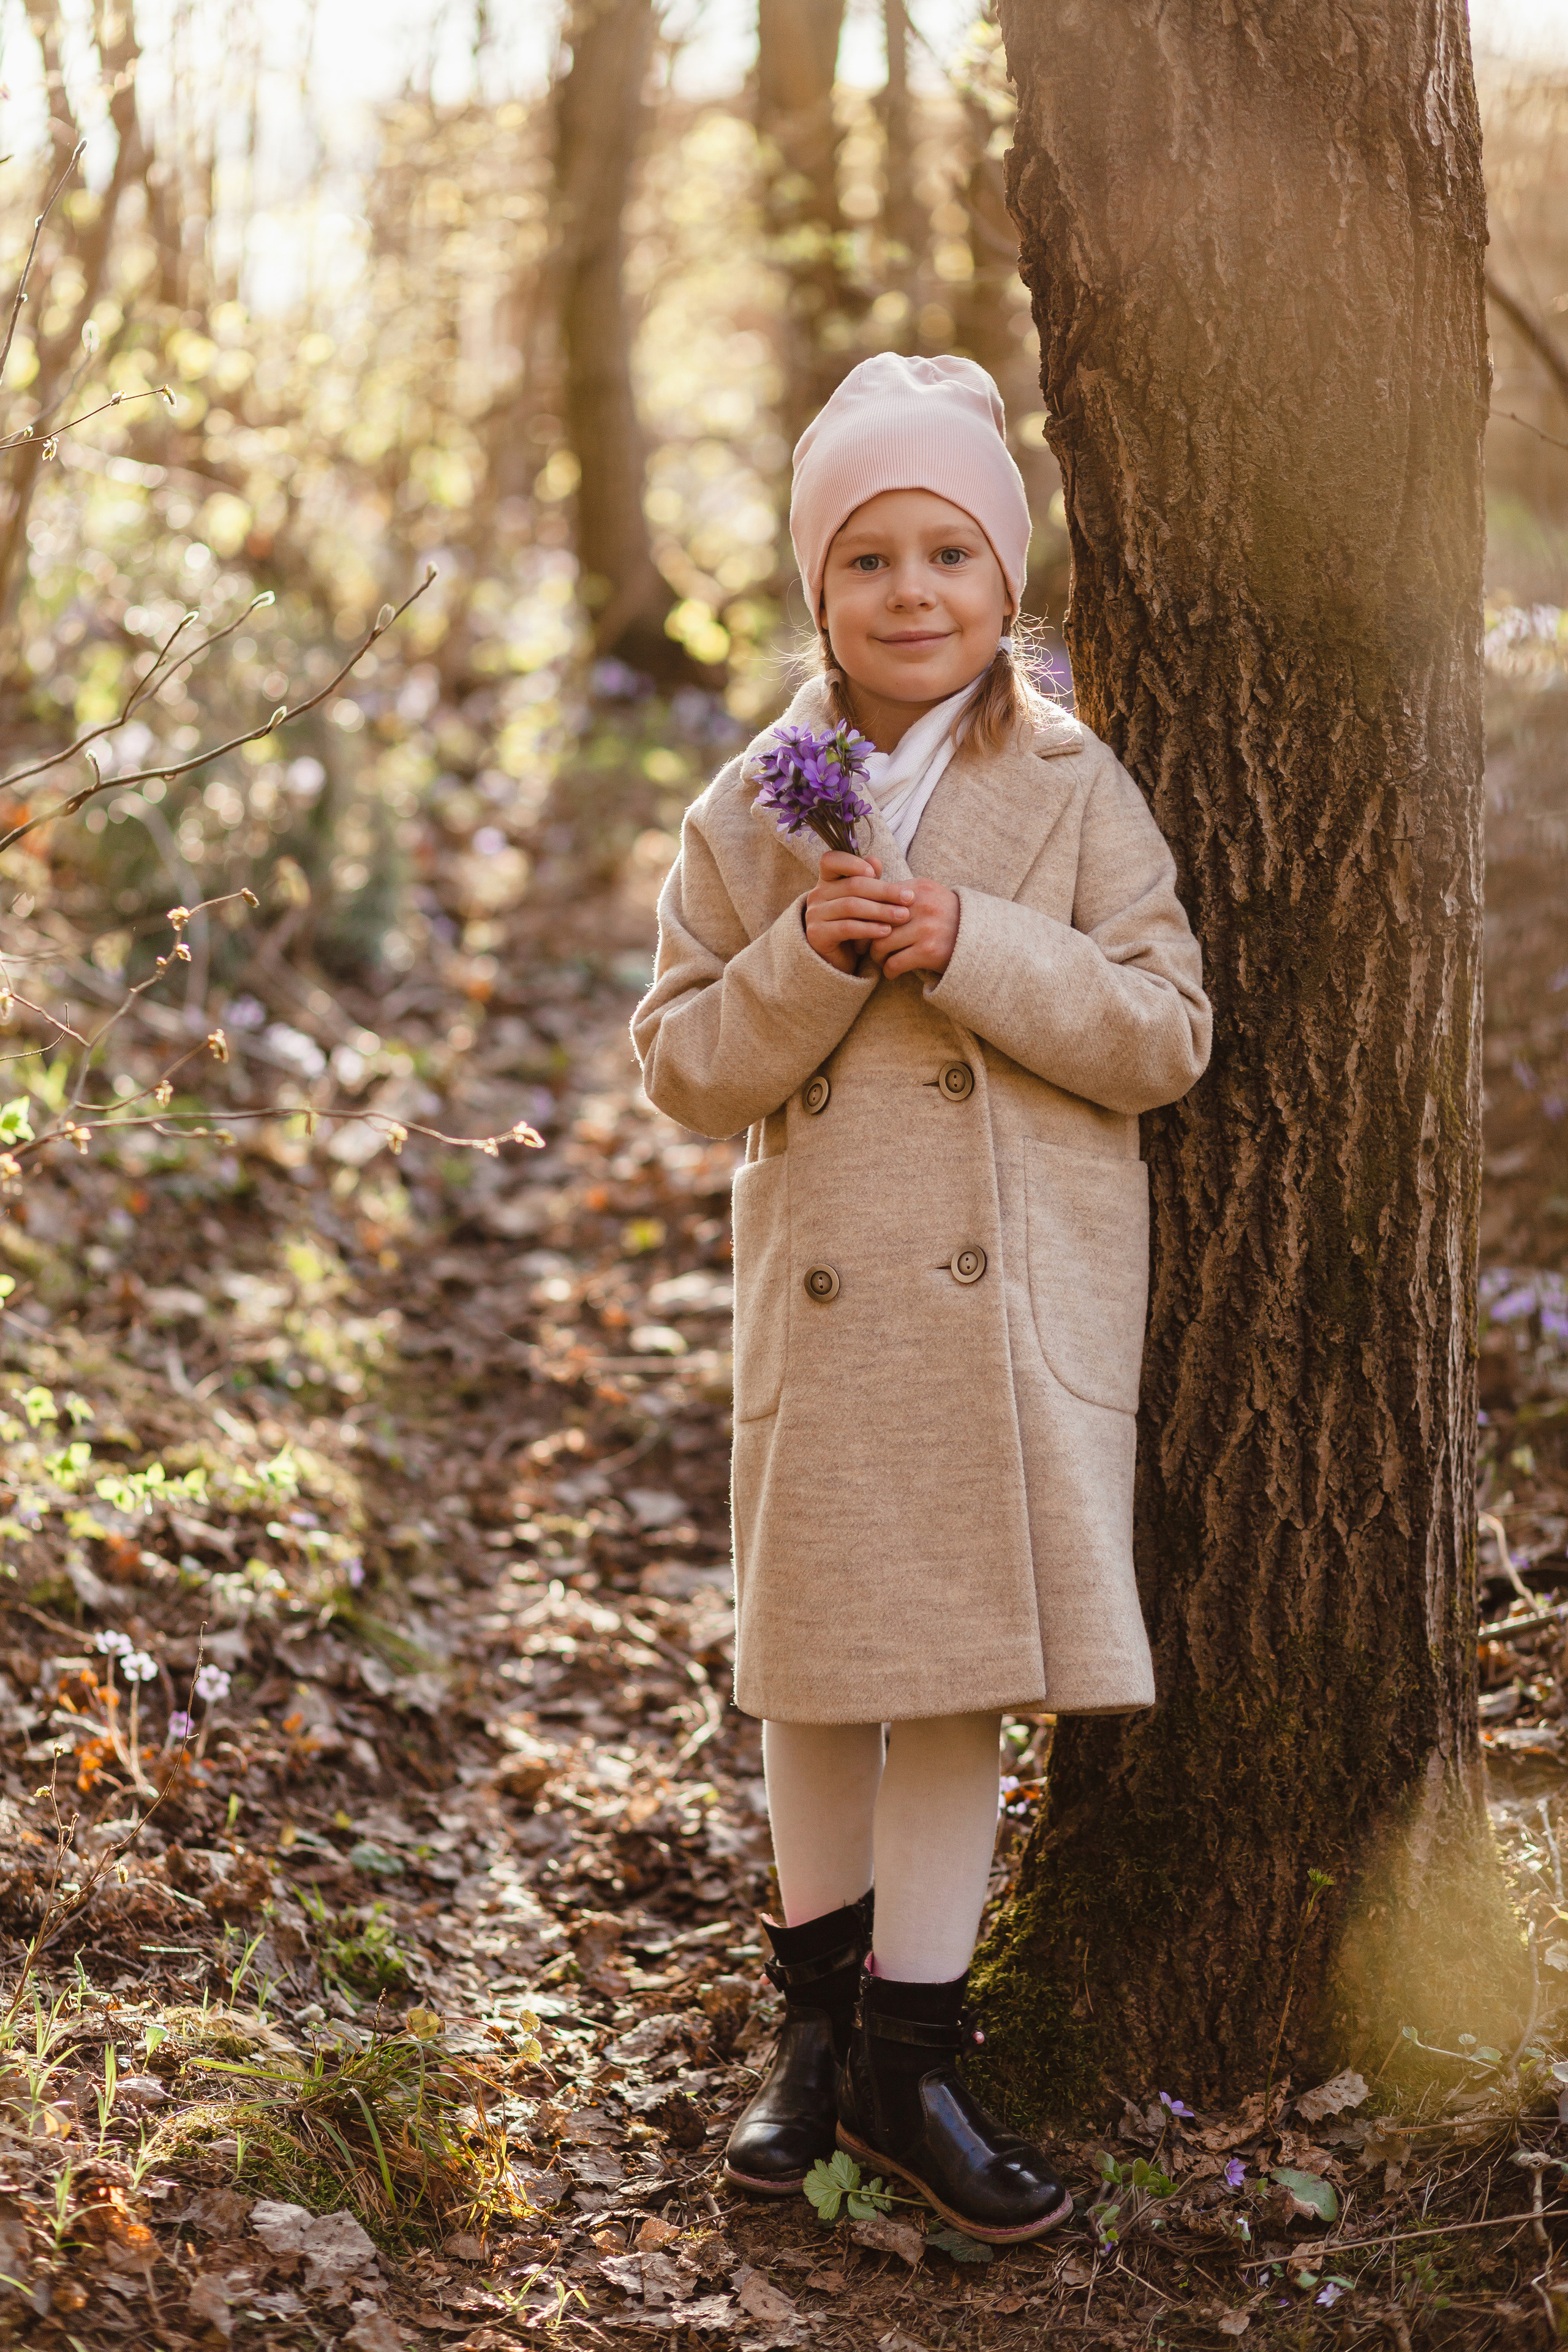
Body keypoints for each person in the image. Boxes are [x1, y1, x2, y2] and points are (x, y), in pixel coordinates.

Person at [631, 353, 1212, 2242]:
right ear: (817, 593)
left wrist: (971, 944)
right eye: (866, 557)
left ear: (1008, 583)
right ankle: (809, 2035)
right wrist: (806, 961)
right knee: (817, 1674)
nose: (909, 592)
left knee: (960, 1678)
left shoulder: (1074, 785)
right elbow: (681, 1065)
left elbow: (1164, 1029)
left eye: (947, 551)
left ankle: (913, 2056)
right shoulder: (747, 807)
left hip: (1004, 1313)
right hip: (827, 1312)